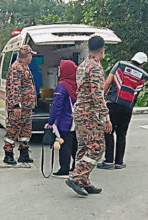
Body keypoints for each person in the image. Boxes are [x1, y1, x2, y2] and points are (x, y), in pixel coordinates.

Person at [65, 36, 112, 197]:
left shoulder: (83, 65)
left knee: (84, 147)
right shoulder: (96, 67)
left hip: (79, 111)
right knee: (97, 146)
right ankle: (77, 177)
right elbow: (97, 95)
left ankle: (84, 180)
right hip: (88, 112)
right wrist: (105, 117)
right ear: (102, 50)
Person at [97, 52, 147, 170]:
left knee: (108, 131)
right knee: (121, 134)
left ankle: (109, 161)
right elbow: (136, 92)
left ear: (132, 58)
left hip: (113, 103)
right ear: (143, 63)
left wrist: (101, 97)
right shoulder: (144, 75)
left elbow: (108, 82)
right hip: (127, 107)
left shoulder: (120, 64)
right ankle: (119, 162)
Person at [2, 45, 37, 165]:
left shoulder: (25, 67)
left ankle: (24, 153)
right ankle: (8, 154)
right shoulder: (16, 68)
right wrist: (16, 105)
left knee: (25, 132)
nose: (31, 57)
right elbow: (14, 88)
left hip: (27, 107)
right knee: (13, 130)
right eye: (31, 54)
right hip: (19, 108)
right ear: (26, 55)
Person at [46, 60, 78, 178]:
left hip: (65, 121)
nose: (58, 71)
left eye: (60, 69)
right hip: (77, 121)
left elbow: (57, 105)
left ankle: (64, 169)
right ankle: (76, 166)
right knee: (75, 145)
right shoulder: (76, 84)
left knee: (64, 145)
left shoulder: (62, 86)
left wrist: (51, 121)